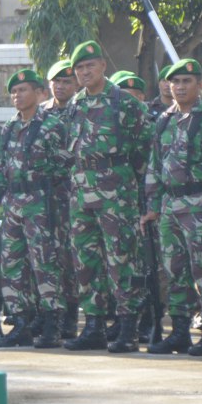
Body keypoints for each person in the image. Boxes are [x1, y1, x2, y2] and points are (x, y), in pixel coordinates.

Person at [141, 60, 202, 357]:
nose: (180, 87)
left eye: (187, 81)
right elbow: (154, 167)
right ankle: (180, 332)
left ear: (199, 85)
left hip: (200, 205)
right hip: (170, 206)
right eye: (175, 82)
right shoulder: (163, 121)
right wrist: (152, 205)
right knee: (175, 271)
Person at [64, 40, 151, 352]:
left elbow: (144, 149)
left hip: (117, 193)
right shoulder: (75, 105)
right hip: (80, 193)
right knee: (86, 261)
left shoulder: (124, 104)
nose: (85, 72)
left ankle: (128, 327)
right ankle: (94, 325)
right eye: (79, 68)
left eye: (90, 66)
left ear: (103, 66)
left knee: (122, 258)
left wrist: (138, 193)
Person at [0, 69, 71, 348]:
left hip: (41, 203)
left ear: (39, 93)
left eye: (23, 90)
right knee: (12, 264)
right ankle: (20, 321)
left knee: (45, 262)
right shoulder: (9, 128)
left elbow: (65, 165)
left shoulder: (52, 125)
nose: (18, 96)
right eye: (14, 91)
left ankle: (52, 322)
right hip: (12, 204)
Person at [41, 58, 80, 338]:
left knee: (71, 257)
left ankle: (71, 313)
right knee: (47, 256)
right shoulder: (40, 113)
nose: (62, 86)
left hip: (76, 196)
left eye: (67, 81)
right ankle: (48, 314)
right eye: (57, 81)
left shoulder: (82, 111)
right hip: (44, 199)